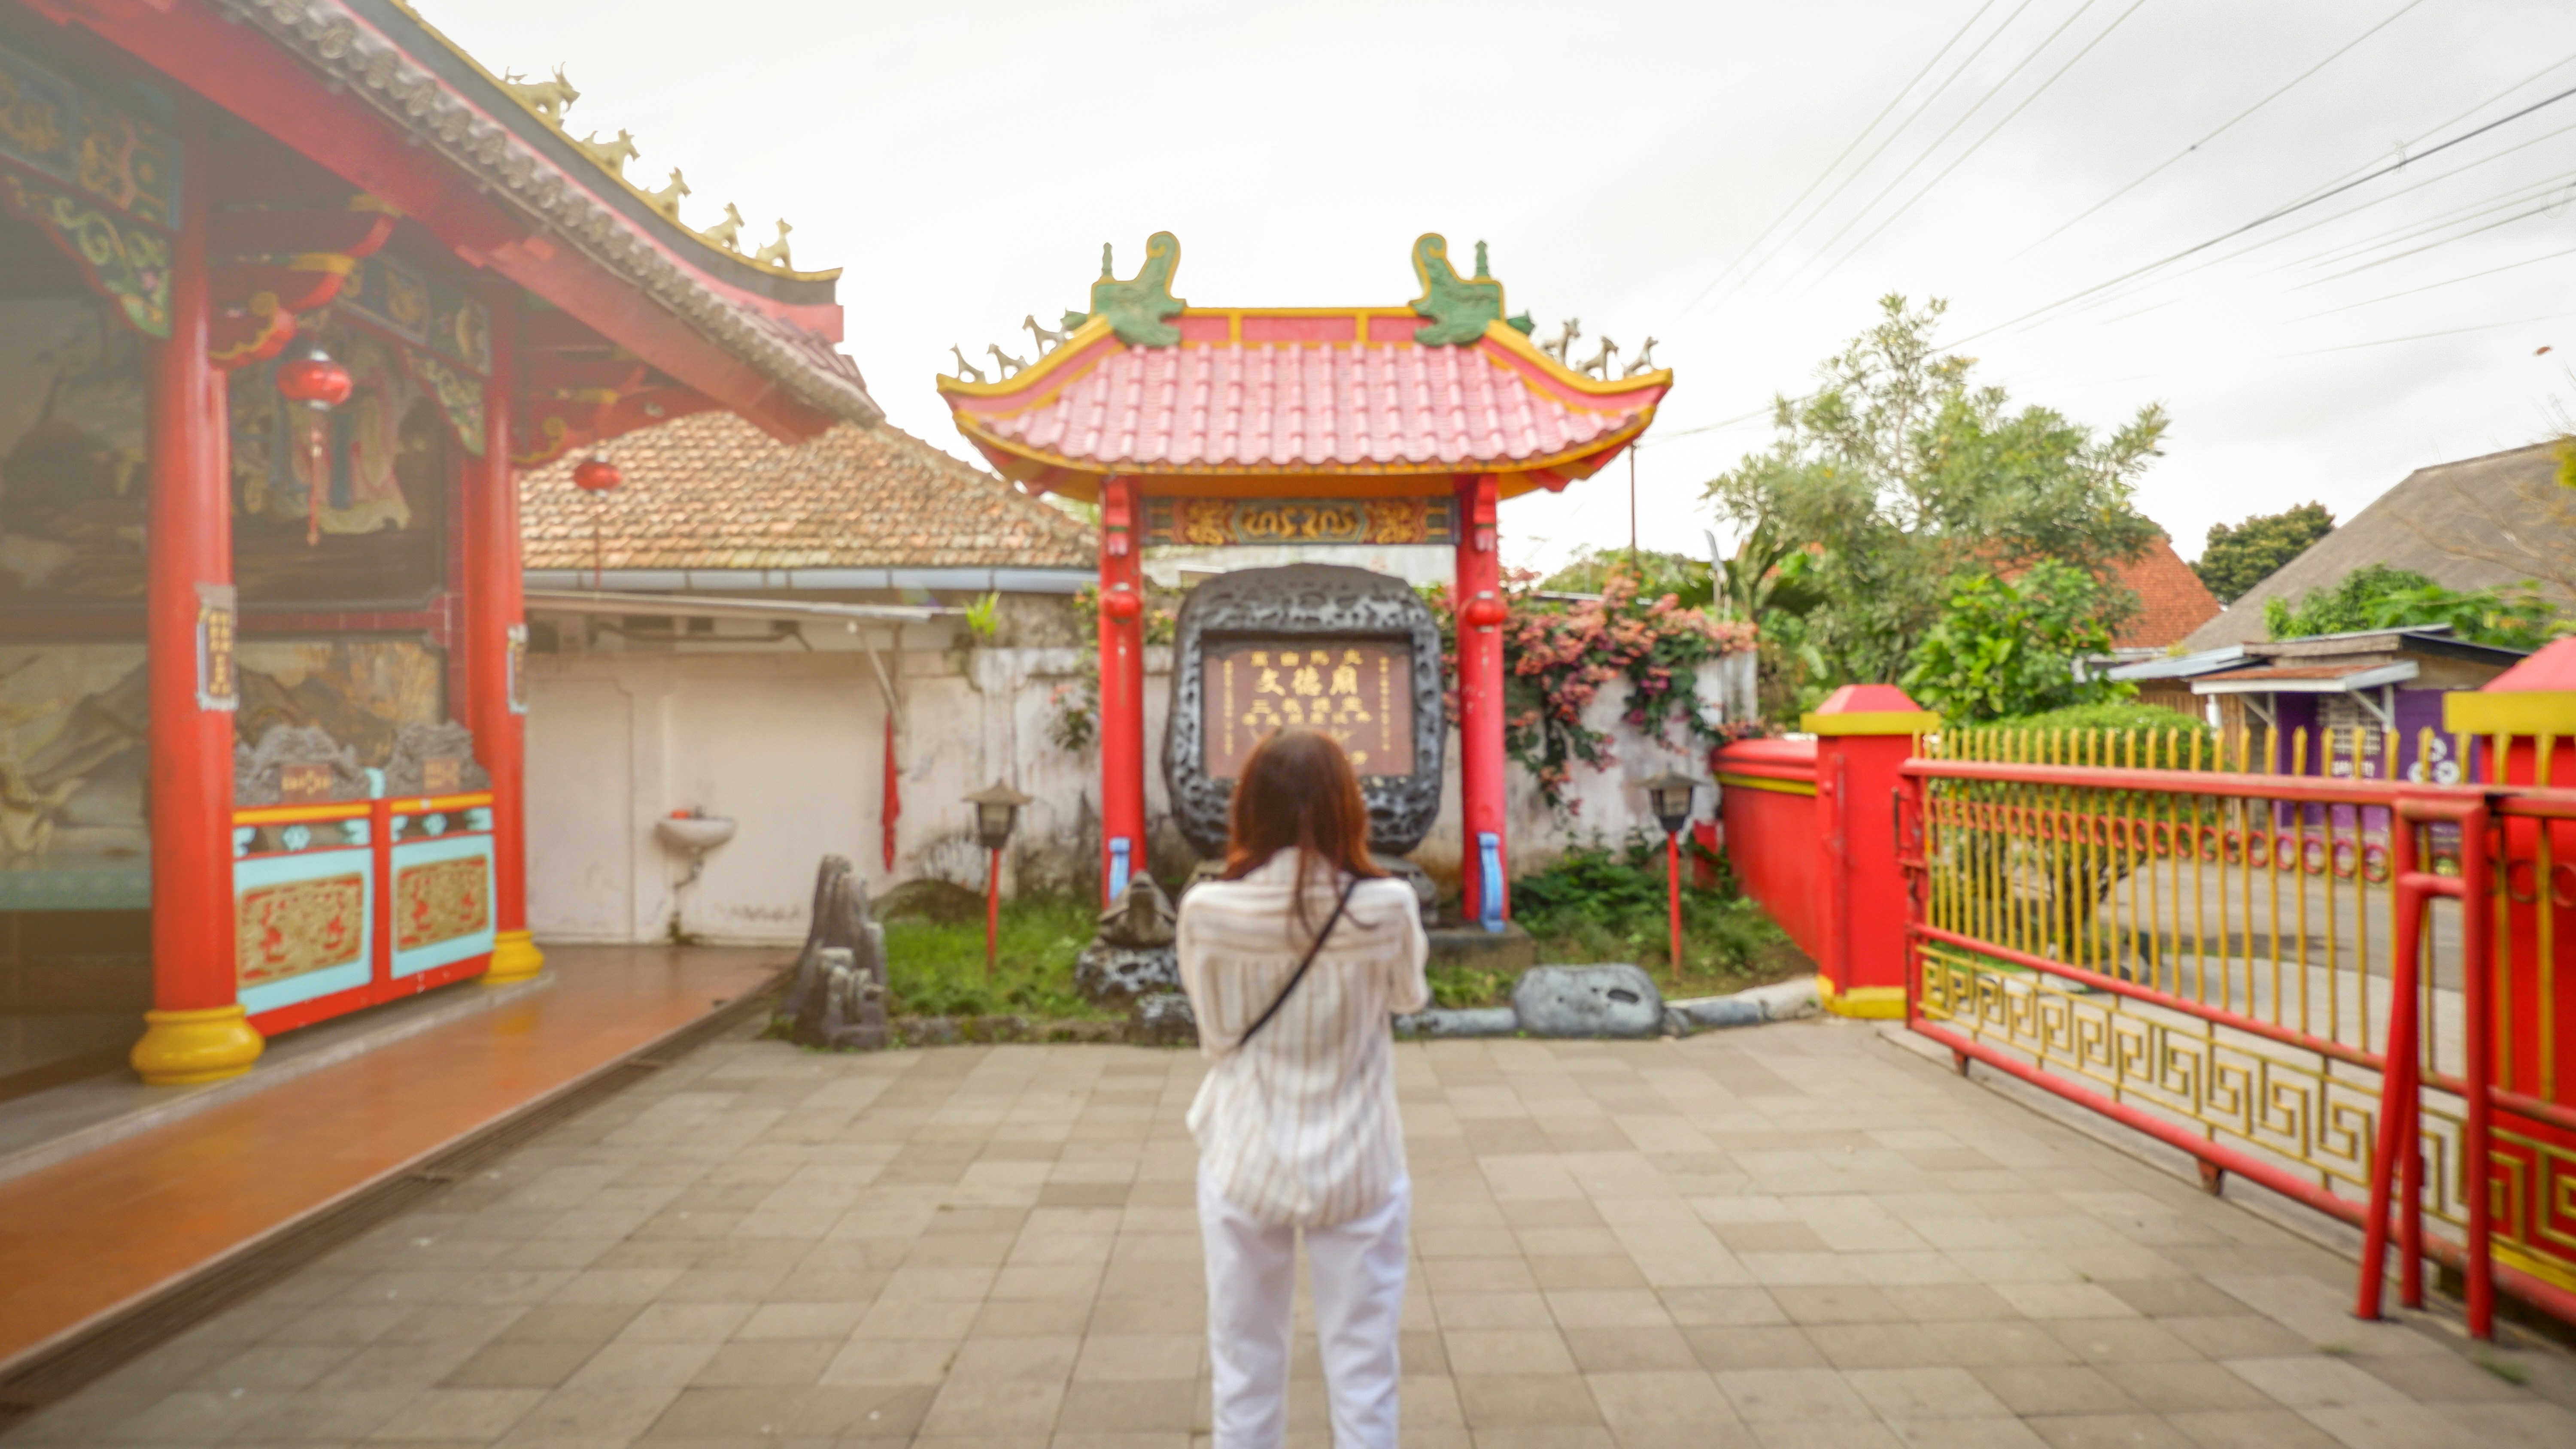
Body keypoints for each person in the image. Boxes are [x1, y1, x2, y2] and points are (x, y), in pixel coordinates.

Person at [1177, 725, 1430, 1449]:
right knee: (1365, 1369)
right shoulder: (1388, 905)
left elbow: (1217, 1036)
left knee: (1244, 1364)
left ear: (1248, 807)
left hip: (1245, 1155)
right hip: (1361, 1159)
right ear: (1348, 805)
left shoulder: (1206, 911)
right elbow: (1409, 997)